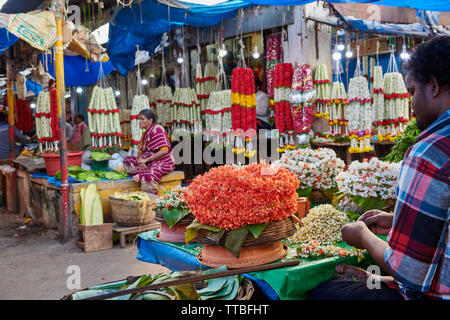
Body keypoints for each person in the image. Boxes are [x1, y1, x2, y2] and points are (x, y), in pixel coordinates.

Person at [308, 36, 450, 300]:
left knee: (324, 292)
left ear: (433, 86)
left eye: (412, 92)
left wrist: (362, 236)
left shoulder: (430, 154)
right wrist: (399, 221)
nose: (411, 103)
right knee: (366, 281)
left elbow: (408, 271)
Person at [123, 109, 175, 195]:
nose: (139, 121)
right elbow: (140, 152)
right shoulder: (144, 134)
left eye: (142, 119)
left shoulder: (157, 129)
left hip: (164, 162)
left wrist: (147, 160)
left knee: (148, 175)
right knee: (128, 161)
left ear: (150, 120)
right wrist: (140, 162)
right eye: (139, 119)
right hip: (150, 162)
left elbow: (164, 150)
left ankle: (150, 202)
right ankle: (142, 173)